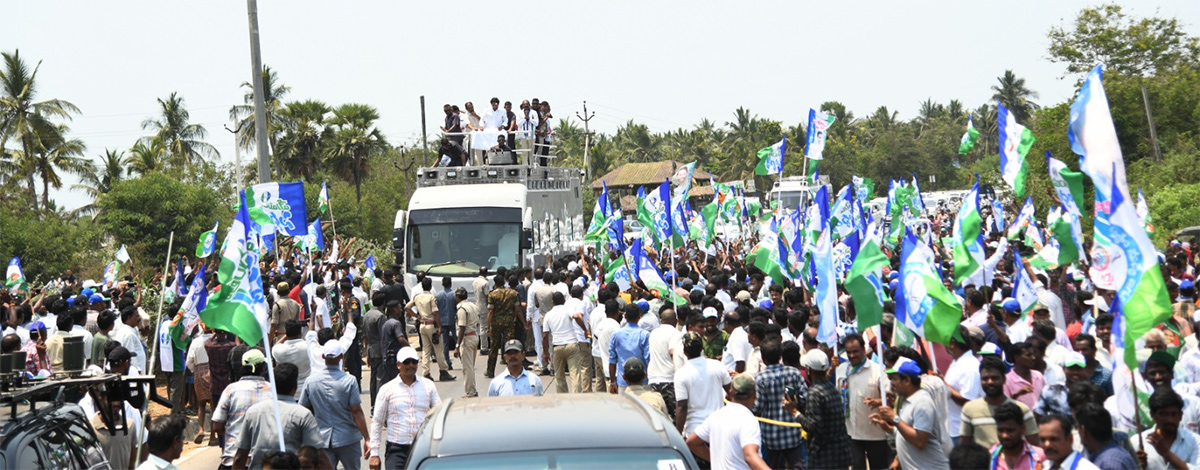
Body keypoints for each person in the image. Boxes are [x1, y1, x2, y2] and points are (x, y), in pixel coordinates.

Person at [233, 362, 327, 470]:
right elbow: (319, 456)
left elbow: (240, 457)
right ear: (295, 387)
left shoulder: (253, 412)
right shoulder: (303, 415)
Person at [299, 341, 371, 470]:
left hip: (321, 439)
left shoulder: (311, 381)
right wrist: (367, 438)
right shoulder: (349, 380)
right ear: (341, 357)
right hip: (347, 438)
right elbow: (356, 411)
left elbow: (303, 410)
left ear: (323, 357)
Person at [871, 357, 950, 470]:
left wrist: (895, 418)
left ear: (907, 380)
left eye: (895, 379)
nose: (891, 383)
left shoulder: (922, 402)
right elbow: (908, 431)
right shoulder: (909, 401)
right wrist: (889, 428)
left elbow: (920, 441)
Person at [369, 347, 441, 470]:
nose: (411, 365)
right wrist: (374, 454)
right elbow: (377, 422)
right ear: (398, 365)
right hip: (397, 450)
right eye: (407, 362)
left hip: (423, 448)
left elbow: (439, 414)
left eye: (414, 362)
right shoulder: (387, 389)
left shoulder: (428, 386)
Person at [685, 374, 771, 470]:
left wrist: (714, 459)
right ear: (755, 395)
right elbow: (750, 456)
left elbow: (692, 442)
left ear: (730, 393)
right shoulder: (748, 421)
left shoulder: (716, 416)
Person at [785, 349, 851, 470]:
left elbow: (813, 427)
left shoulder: (814, 392)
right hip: (841, 453)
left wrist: (794, 412)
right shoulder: (831, 388)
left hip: (824, 458)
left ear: (808, 370)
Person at [835, 333, 891, 469]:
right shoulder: (842, 370)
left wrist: (878, 401)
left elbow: (891, 397)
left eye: (855, 351)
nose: (852, 355)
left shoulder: (878, 371)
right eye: (849, 352)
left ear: (864, 350)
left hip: (875, 434)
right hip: (852, 433)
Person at [213, 349, 275, 470]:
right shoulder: (272, 390)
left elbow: (217, 426)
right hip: (265, 461)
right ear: (262, 368)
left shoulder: (231, 390)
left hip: (233, 458)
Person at [961, 355, 1041, 449]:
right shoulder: (969, 409)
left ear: (1004, 379)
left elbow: (1035, 444)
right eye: (985, 378)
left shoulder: (1022, 409)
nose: (990, 382)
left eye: (995, 378)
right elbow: (964, 446)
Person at [752, 338, 805, 469]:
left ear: (763, 359)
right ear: (780, 357)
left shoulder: (760, 378)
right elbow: (805, 399)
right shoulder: (794, 373)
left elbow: (757, 407)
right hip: (793, 434)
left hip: (770, 438)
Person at [674, 332, 732, 435]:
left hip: (695, 432)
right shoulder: (718, 366)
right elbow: (732, 392)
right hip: (718, 428)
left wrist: (678, 434)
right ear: (702, 349)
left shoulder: (680, 374)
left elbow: (682, 406)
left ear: (684, 351)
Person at [1130, 388, 1200, 470]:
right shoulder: (1136, 442)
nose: (1169, 420)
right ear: (1152, 415)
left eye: (1174, 414)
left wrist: (1167, 454)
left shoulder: (1194, 441)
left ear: (1181, 415)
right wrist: (1138, 466)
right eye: (1163, 414)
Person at [405, 277, 453, 382]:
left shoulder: (417, 297)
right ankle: (443, 371)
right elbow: (435, 313)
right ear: (431, 287)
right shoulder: (431, 297)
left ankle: (426, 373)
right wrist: (439, 326)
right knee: (438, 349)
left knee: (425, 350)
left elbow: (407, 307)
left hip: (422, 325)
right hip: (432, 326)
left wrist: (417, 317)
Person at [944, 324, 984, 446]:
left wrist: (943, 384)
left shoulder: (969, 367)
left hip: (963, 433)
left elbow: (967, 400)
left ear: (952, 343)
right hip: (953, 429)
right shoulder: (957, 362)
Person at [543, 291, 587, 393]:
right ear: (564, 300)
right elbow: (576, 316)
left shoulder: (548, 315)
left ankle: (563, 398)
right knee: (575, 374)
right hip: (571, 345)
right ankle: (576, 397)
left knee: (559, 376)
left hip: (557, 347)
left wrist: (545, 353)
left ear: (552, 302)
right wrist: (585, 329)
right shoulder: (567, 309)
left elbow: (545, 336)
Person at [1075, 403, 1137, 470]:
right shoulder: (1113, 454)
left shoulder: (1108, 464)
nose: (1077, 431)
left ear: (1083, 431)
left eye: (1078, 427)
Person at [989, 402, 1047, 470]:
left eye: (1010, 430)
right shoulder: (990, 456)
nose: (1005, 436)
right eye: (1000, 430)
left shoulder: (1040, 456)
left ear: (1023, 429)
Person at [608, 304, 651, 394]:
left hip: (623, 381)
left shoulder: (616, 334)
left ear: (625, 316)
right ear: (639, 316)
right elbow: (648, 359)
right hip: (642, 381)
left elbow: (612, 360)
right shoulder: (644, 335)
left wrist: (612, 382)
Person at [647, 308, 680, 420]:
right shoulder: (676, 333)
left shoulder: (653, 333)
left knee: (657, 417)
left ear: (661, 320)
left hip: (653, 379)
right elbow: (673, 352)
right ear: (676, 321)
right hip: (670, 379)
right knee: (676, 416)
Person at [485, 274, 520, 378]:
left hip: (496, 323)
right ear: (504, 282)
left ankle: (490, 371)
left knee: (493, 347)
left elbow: (490, 311)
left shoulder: (492, 295)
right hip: (509, 322)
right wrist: (511, 318)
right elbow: (517, 310)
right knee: (510, 347)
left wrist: (488, 326)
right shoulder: (513, 293)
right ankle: (511, 370)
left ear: (495, 283)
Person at [453, 287, 481, 397]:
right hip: (474, 336)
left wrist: (457, 345)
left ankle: (471, 391)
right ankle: (472, 389)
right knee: (470, 366)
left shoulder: (461, 309)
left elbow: (462, 327)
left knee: (467, 368)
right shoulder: (473, 306)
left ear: (458, 297)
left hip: (467, 339)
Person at [363, 291, 387, 409]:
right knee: (380, 379)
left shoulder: (367, 315)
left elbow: (366, 336)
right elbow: (383, 336)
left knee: (373, 379)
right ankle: (379, 405)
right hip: (379, 350)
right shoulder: (380, 316)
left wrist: (367, 351)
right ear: (383, 303)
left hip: (371, 349)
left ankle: (373, 405)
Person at [434, 277, 457, 370]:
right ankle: (463, 360)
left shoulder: (438, 295)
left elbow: (436, 309)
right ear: (450, 284)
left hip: (442, 322)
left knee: (445, 344)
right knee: (458, 341)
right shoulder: (454, 294)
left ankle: (448, 363)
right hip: (453, 320)